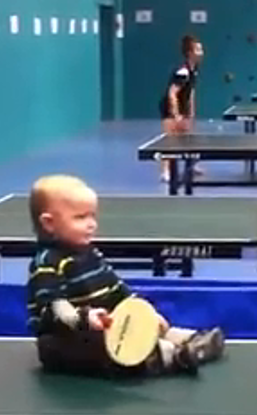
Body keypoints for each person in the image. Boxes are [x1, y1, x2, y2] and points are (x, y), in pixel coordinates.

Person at [26, 174, 226, 377]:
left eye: (93, 216)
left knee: (131, 330)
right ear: (49, 223)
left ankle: (189, 341)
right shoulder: (47, 263)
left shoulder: (90, 254)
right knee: (104, 351)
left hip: (103, 328)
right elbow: (55, 307)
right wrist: (84, 318)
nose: (91, 224)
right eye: (80, 217)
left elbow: (116, 288)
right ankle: (173, 356)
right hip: (65, 339)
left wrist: (147, 315)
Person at [157, 34, 204, 183]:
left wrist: (191, 111)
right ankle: (165, 172)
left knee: (188, 138)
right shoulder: (182, 72)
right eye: (198, 49)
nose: (202, 52)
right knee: (171, 141)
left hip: (182, 107)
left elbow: (191, 91)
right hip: (169, 109)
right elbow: (172, 93)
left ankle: (190, 166)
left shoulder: (194, 68)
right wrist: (175, 114)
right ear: (190, 53)